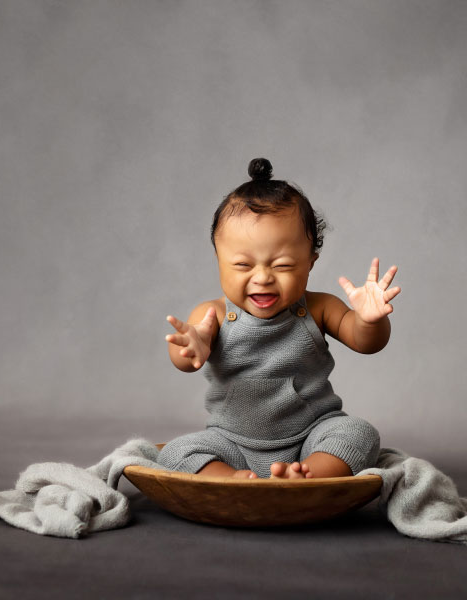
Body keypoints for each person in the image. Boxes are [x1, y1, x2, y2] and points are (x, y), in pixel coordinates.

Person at [157, 158, 400, 479]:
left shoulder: (318, 307)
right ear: (219, 259)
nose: (262, 278)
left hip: (311, 436)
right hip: (232, 443)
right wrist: (190, 348)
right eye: (243, 266)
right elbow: (185, 360)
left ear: (311, 262)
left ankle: (307, 475)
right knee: (175, 453)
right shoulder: (211, 314)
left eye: (283, 265)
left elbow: (366, 342)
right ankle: (232, 480)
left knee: (359, 433)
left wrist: (369, 320)